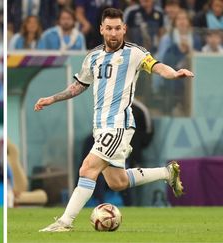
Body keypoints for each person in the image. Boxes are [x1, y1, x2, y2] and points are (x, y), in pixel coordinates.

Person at [35, 8, 192, 232]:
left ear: (124, 29)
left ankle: (64, 222)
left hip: (118, 124)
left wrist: (174, 72)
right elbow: (79, 85)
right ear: (101, 29)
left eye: (118, 28)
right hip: (100, 126)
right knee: (117, 182)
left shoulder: (135, 53)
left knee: (87, 168)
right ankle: (166, 173)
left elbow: (157, 66)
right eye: (109, 28)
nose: (114, 33)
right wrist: (52, 98)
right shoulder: (93, 57)